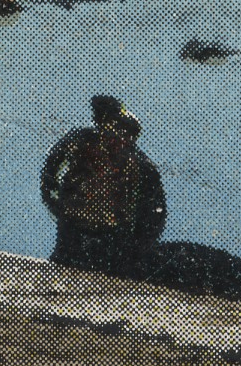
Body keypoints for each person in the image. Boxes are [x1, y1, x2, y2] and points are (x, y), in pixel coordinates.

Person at [40, 95, 167, 277]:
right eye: (107, 124)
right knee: (65, 271)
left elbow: (155, 212)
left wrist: (137, 245)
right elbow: (51, 169)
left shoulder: (138, 163)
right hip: (77, 226)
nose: (112, 136)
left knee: (102, 278)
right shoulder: (82, 141)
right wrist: (56, 202)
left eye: (119, 129)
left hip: (109, 234)